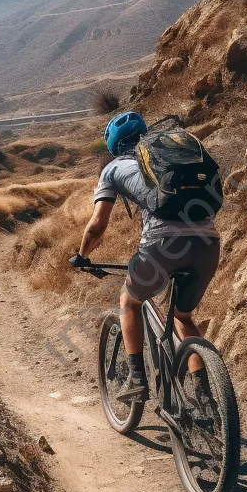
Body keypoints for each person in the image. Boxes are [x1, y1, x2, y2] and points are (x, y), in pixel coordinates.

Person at [70, 110, 220, 406]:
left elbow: (98, 226)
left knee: (129, 301)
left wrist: (81, 255)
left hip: (160, 245)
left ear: (113, 147)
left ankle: (138, 381)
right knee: (183, 316)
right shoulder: (172, 154)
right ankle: (206, 395)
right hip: (208, 243)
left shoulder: (113, 169)